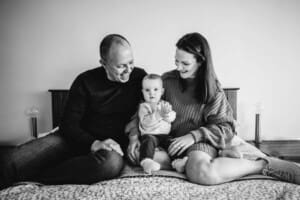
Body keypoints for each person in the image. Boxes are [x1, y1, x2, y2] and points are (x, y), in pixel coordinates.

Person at [127, 32, 300, 185]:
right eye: (176, 62)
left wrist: (193, 136)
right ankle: (222, 156)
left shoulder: (213, 90)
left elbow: (225, 128)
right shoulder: (166, 81)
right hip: (170, 143)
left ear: (200, 62)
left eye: (185, 64)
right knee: (139, 156)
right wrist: (134, 138)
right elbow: (141, 112)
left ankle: (260, 164)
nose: (179, 67)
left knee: (203, 174)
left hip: (199, 142)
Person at [0, 34, 147, 189]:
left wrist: (133, 136)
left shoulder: (140, 78)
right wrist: (94, 143)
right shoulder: (85, 81)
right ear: (103, 63)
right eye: (121, 66)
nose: (128, 70)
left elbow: (147, 111)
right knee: (11, 161)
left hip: (111, 149)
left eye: (131, 62)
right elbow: (67, 125)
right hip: (73, 140)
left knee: (110, 165)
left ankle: (39, 176)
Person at [134, 74, 176, 174]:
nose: (151, 93)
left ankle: (177, 161)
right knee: (148, 142)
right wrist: (158, 114)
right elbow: (146, 123)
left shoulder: (165, 104)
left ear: (162, 92)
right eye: (147, 90)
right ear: (143, 92)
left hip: (165, 136)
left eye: (156, 89)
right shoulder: (144, 107)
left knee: (174, 144)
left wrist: (167, 114)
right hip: (149, 135)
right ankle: (146, 161)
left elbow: (171, 118)